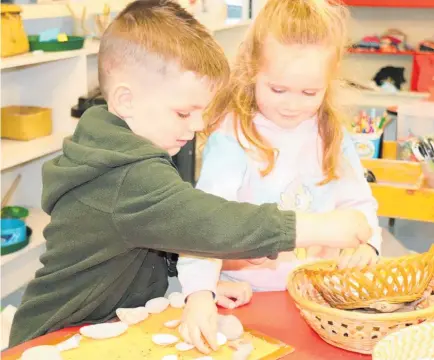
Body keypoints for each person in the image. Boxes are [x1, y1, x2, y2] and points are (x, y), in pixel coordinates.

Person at [9, 0, 371, 348]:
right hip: (55, 338)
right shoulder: (127, 176)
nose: (197, 125)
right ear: (125, 100)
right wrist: (316, 228)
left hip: (102, 322)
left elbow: (145, 240)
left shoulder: (117, 147)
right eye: (184, 113)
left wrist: (189, 283)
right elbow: (208, 221)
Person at [177, 0, 383, 353]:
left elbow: (358, 204)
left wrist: (369, 245)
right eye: (278, 89)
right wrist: (200, 296)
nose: (292, 104)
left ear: (328, 83)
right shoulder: (234, 136)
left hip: (321, 296)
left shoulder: (330, 132)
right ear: (252, 70)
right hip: (248, 296)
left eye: (310, 93)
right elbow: (204, 224)